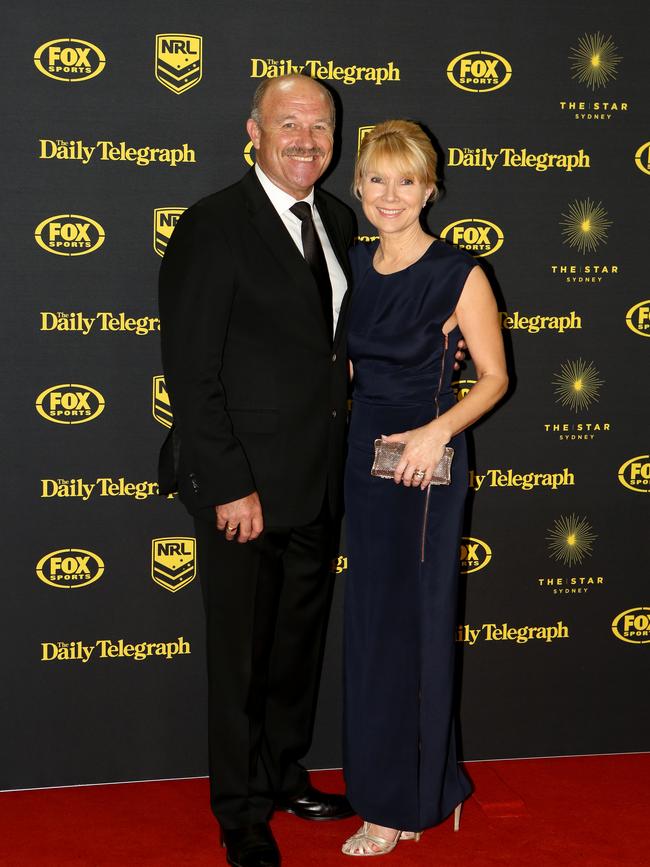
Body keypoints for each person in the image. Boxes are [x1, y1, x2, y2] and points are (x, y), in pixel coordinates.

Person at [158, 74, 356, 867]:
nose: (306, 138)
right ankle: (240, 811)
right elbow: (191, 371)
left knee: (295, 647)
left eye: (320, 124)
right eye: (289, 123)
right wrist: (230, 482)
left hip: (320, 478)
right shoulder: (213, 225)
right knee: (240, 655)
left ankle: (283, 774)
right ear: (254, 130)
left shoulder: (339, 219)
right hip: (244, 487)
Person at [341, 120, 508, 856]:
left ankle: (405, 801)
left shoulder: (459, 273)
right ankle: (418, 785)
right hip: (362, 461)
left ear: (430, 189)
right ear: (358, 185)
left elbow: (496, 377)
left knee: (416, 625)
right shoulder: (349, 264)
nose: (390, 194)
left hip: (424, 466)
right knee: (373, 627)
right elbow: (344, 368)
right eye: (377, 178)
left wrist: (439, 430)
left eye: (406, 180)